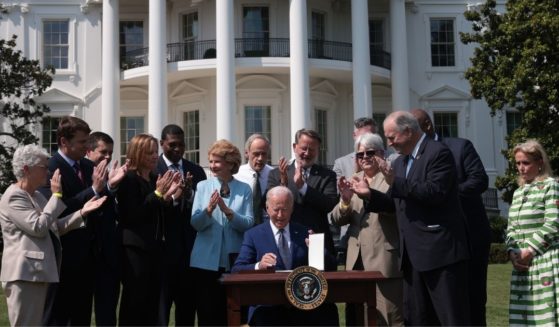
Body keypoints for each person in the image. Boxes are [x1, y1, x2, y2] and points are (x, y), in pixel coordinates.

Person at [351, 111, 471, 325]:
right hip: (412, 257)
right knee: (418, 319)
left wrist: (394, 182)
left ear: (408, 131)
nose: (389, 143)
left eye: (391, 137)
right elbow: (394, 203)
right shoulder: (399, 163)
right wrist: (368, 194)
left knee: (450, 318)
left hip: (440, 254)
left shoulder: (438, 153)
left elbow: (435, 192)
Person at [0, 144, 106, 326]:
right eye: (43, 168)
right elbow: (38, 227)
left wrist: (82, 212)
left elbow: (54, 226)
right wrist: (56, 196)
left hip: (39, 273)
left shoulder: (36, 196)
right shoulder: (14, 196)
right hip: (24, 276)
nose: (48, 173)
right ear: (26, 169)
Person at [411, 108, 491, 325]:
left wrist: (445, 194)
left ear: (427, 125)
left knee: (472, 299)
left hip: (468, 236)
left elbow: (480, 180)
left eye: (413, 128)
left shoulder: (459, 147)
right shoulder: (411, 157)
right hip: (434, 244)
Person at [232, 186, 339, 326]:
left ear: (292, 208)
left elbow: (332, 266)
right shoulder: (253, 235)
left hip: (303, 304)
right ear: (267, 208)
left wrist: (318, 250)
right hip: (268, 306)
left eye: (285, 209)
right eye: (276, 210)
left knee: (328, 311)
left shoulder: (305, 232)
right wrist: (259, 265)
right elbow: (237, 269)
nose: (281, 215)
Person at [40, 116, 109, 325]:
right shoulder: (50, 168)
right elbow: (56, 210)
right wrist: (93, 190)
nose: (87, 146)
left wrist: (110, 187)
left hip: (88, 256)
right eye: (82, 142)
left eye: (88, 141)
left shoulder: (88, 167)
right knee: (58, 318)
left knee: (81, 317)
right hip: (63, 258)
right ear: (64, 142)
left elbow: (101, 206)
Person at [331, 133, 403, 326]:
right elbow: (336, 219)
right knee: (358, 318)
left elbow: (395, 211)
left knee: (388, 317)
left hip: (383, 259)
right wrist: (345, 201)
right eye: (359, 155)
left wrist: (369, 195)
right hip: (356, 261)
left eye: (369, 153)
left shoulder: (391, 177)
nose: (364, 158)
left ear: (381, 153)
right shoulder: (353, 179)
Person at [117, 133, 183, 326]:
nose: (155, 156)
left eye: (155, 152)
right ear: (137, 154)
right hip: (135, 250)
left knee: (154, 303)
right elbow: (132, 215)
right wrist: (157, 194)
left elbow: (159, 211)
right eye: (149, 153)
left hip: (156, 248)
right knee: (135, 302)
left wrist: (171, 197)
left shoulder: (155, 177)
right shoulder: (128, 179)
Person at [190, 139, 254, 326]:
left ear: (230, 163)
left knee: (234, 314)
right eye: (210, 161)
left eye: (217, 161)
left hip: (234, 261)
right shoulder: (202, 186)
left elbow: (248, 224)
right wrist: (208, 210)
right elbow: (195, 223)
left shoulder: (244, 189)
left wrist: (227, 211)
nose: (212, 166)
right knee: (208, 314)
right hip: (205, 262)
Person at [156, 124, 207, 326]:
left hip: (189, 252)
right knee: (161, 310)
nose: (177, 149)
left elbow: (203, 207)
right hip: (161, 252)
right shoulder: (154, 170)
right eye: (172, 145)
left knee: (186, 310)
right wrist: (173, 198)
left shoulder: (195, 171)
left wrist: (190, 194)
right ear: (162, 144)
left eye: (181, 145)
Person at [506, 140, 559, 326]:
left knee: (544, 320)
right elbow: (511, 227)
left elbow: (554, 223)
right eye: (518, 163)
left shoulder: (551, 186)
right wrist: (512, 252)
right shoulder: (518, 193)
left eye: (526, 163)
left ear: (540, 163)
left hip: (544, 263)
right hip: (521, 267)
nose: (521, 168)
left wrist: (529, 251)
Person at [267, 128, 338, 258]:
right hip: (287, 239)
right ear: (295, 147)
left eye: (312, 150)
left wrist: (302, 187)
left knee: (317, 277)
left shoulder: (327, 175)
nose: (307, 153)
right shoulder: (276, 174)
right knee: (287, 277)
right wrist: (283, 183)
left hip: (316, 238)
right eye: (304, 148)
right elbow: (268, 205)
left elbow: (329, 205)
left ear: (318, 150)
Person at [85, 131, 126, 326]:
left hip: (108, 257)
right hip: (83, 256)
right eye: (103, 152)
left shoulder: (114, 176)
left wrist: (112, 187)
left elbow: (114, 213)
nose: (108, 157)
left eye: (110, 152)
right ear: (89, 151)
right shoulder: (79, 173)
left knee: (107, 314)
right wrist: (106, 186)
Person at [234, 134, 273, 224]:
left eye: (264, 154)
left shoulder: (274, 174)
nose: (260, 158)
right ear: (246, 153)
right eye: (256, 154)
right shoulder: (236, 175)